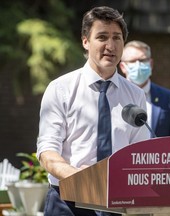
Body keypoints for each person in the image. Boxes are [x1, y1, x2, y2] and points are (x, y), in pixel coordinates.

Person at [36, 6, 149, 216]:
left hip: (118, 202)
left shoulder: (135, 95)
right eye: (102, 37)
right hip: (68, 201)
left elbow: (139, 154)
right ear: (85, 41)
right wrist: (79, 178)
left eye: (117, 38)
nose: (110, 45)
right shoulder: (61, 89)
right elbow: (47, 150)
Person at [119, 40, 170, 137]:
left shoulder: (169, 98)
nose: (138, 65)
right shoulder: (113, 95)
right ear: (123, 67)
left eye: (142, 60)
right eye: (133, 61)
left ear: (150, 64)